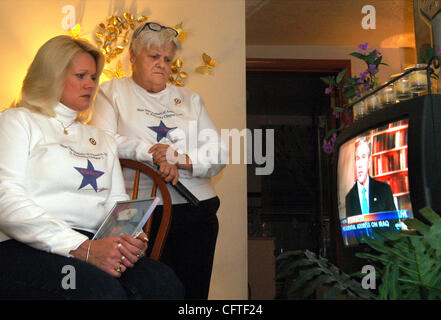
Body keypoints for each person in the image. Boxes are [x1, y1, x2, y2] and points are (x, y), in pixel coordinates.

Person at [0, 35, 184, 299]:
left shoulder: (101, 139)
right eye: (81, 75)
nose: (90, 84)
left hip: (94, 245)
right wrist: (81, 247)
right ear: (51, 75)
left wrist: (132, 236)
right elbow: (5, 199)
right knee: (100, 291)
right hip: (27, 247)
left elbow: (118, 204)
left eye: (94, 77)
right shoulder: (16, 121)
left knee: (164, 282)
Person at [90, 22, 229, 299]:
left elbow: (219, 152)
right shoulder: (112, 92)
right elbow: (102, 142)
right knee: (143, 289)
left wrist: (178, 157)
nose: (162, 65)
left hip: (195, 208)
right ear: (132, 56)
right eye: (154, 57)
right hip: (140, 213)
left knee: (192, 293)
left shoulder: (191, 99)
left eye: (167, 59)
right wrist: (152, 151)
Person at [345, 137, 397, 218]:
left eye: (364, 157)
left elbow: (394, 224)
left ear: (369, 162)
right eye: (357, 158)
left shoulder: (384, 190)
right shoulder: (349, 197)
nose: (360, 164)